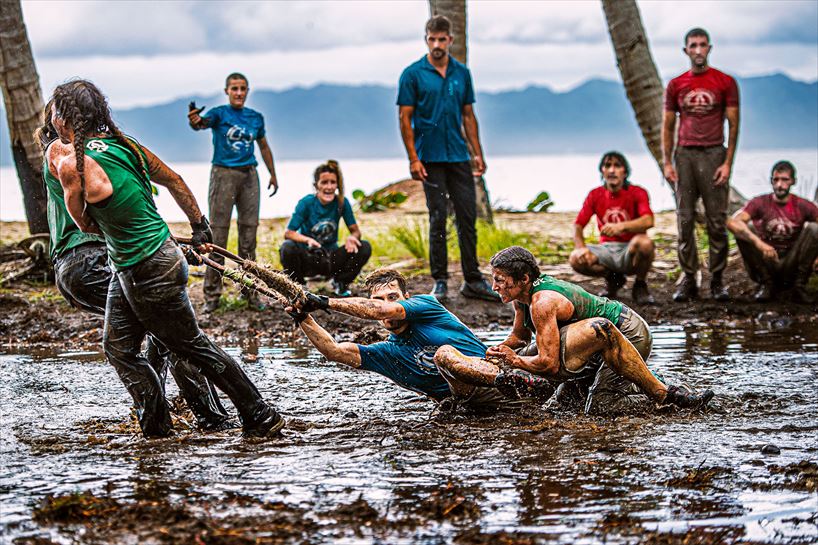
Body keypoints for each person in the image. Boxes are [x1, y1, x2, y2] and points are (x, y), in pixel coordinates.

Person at [48, 79, 284, 439]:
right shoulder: (126, 146)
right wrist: (200, 226)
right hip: (142, 263)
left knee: (190, 345)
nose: (51, 117)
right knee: (119, 348)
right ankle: (157, 432)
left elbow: (85, 224)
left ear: (64, 119)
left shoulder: (71, 167)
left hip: (148, 268)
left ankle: (258, 412)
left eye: (54, 109)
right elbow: (174, 180)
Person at [35, 100, 235, 432]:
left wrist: (169, 243)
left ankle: (157, 422)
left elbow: (126, 216)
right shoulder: (64, 153)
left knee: (149, 337)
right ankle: (211, 420)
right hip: (89, 260)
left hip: (77, 268)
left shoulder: (84, 155)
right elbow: (107, 221)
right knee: (171, 334)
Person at [433, 247, 713, 413]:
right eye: (494, 280)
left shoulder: (542, 303)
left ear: (524, 279)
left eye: (501, 281)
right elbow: (520, 337)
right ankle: (639, 380)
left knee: (602, 407)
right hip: (593, 337)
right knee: (567, 403)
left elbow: (549, 363)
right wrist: (501, 349)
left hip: (627, 331)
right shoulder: (521, 297)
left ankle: (666, 391)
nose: (495, 288)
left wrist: (516, 361)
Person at [288, 268, 510, 410]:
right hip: (469, 404)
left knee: (445, 354)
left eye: (392, 298)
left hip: (499, 380)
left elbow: (381, 311)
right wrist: (302, 316)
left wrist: (324, 302)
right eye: (378, 299)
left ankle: (516, 381)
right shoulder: (386, 353)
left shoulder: (427, 306)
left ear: (406, 298)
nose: (385, 303)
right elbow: (333, 350)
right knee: (443, 357)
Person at [397, 15, 499, 303]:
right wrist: (413, 158)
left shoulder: (461, 73)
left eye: (442, 39)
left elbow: (468, 115)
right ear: (426, 39)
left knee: (467, 216)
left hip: (458, 155)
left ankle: (473, 279)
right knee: (438, 216)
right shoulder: (413, 74)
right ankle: (440, 280)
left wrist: (477, 153)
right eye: (432, 39)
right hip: (429, 156)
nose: (438, 44)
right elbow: (404, 118)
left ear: (450, 40)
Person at [187, 72, 279, 312]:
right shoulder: (219, 113)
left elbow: (264, 146)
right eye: (234, 88)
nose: (239, 93)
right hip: (223, 174)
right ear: (227, 91)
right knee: (217, 236)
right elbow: (200, 124)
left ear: (247, 91)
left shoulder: (255, 117)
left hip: (250, 175)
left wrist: (272, 173)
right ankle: (212, 297)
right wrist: (194, 119)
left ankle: (250, 295)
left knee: (249, 236)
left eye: (243, 88)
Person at [662, 27, 739, 303]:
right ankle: (689, 279)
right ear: (685, 50)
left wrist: (728, 161)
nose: (698, 50)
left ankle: (717, 280)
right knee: (685, 219)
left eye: (702, 45)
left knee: (717, 220)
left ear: (709, 48)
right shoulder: (676, 84)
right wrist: (667, 162)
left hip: (714, 153)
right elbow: (668, 125)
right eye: (692, 45)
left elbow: (734, 123)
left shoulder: (725, 82)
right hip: (685, 155)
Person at [569, 151, 656, 304]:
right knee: (576, 259)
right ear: (602, 171)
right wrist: (580, 247)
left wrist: (621, 227)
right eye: (607, 166)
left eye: (617, 166)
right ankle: (613, 279)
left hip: (630, 248)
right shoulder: (595, 194)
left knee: (645, 243)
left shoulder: (637, 192)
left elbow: (648, 220)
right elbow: (577, 225)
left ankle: (640, 284)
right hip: (607, 249)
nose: (611, 170)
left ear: (625, 172)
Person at [726, 161, 818, 303]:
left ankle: (799, 286)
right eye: (776, 180)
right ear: (771, 181)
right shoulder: (760, 202)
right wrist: (759, 243)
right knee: (745, 229)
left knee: (814, 229)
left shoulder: (802, 205)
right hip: (767, 261)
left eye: (785, 180)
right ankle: (766, 284)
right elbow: (732, 222)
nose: (780, 185)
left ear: (793, 181)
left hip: (791, 262)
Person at [279, 160, 371, 296]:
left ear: (337, 185)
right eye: (324, 182)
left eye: (332, 182)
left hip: (331, 259)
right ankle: (299, 287)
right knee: (287, 247)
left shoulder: (342, 202)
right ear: (316, 185)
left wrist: (353, 237)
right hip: (309, 257)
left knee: (364, 246)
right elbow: (289, 233)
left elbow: (355, 230)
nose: (329, 187)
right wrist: (307, 240)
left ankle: (340, 283)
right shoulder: (306, 203)